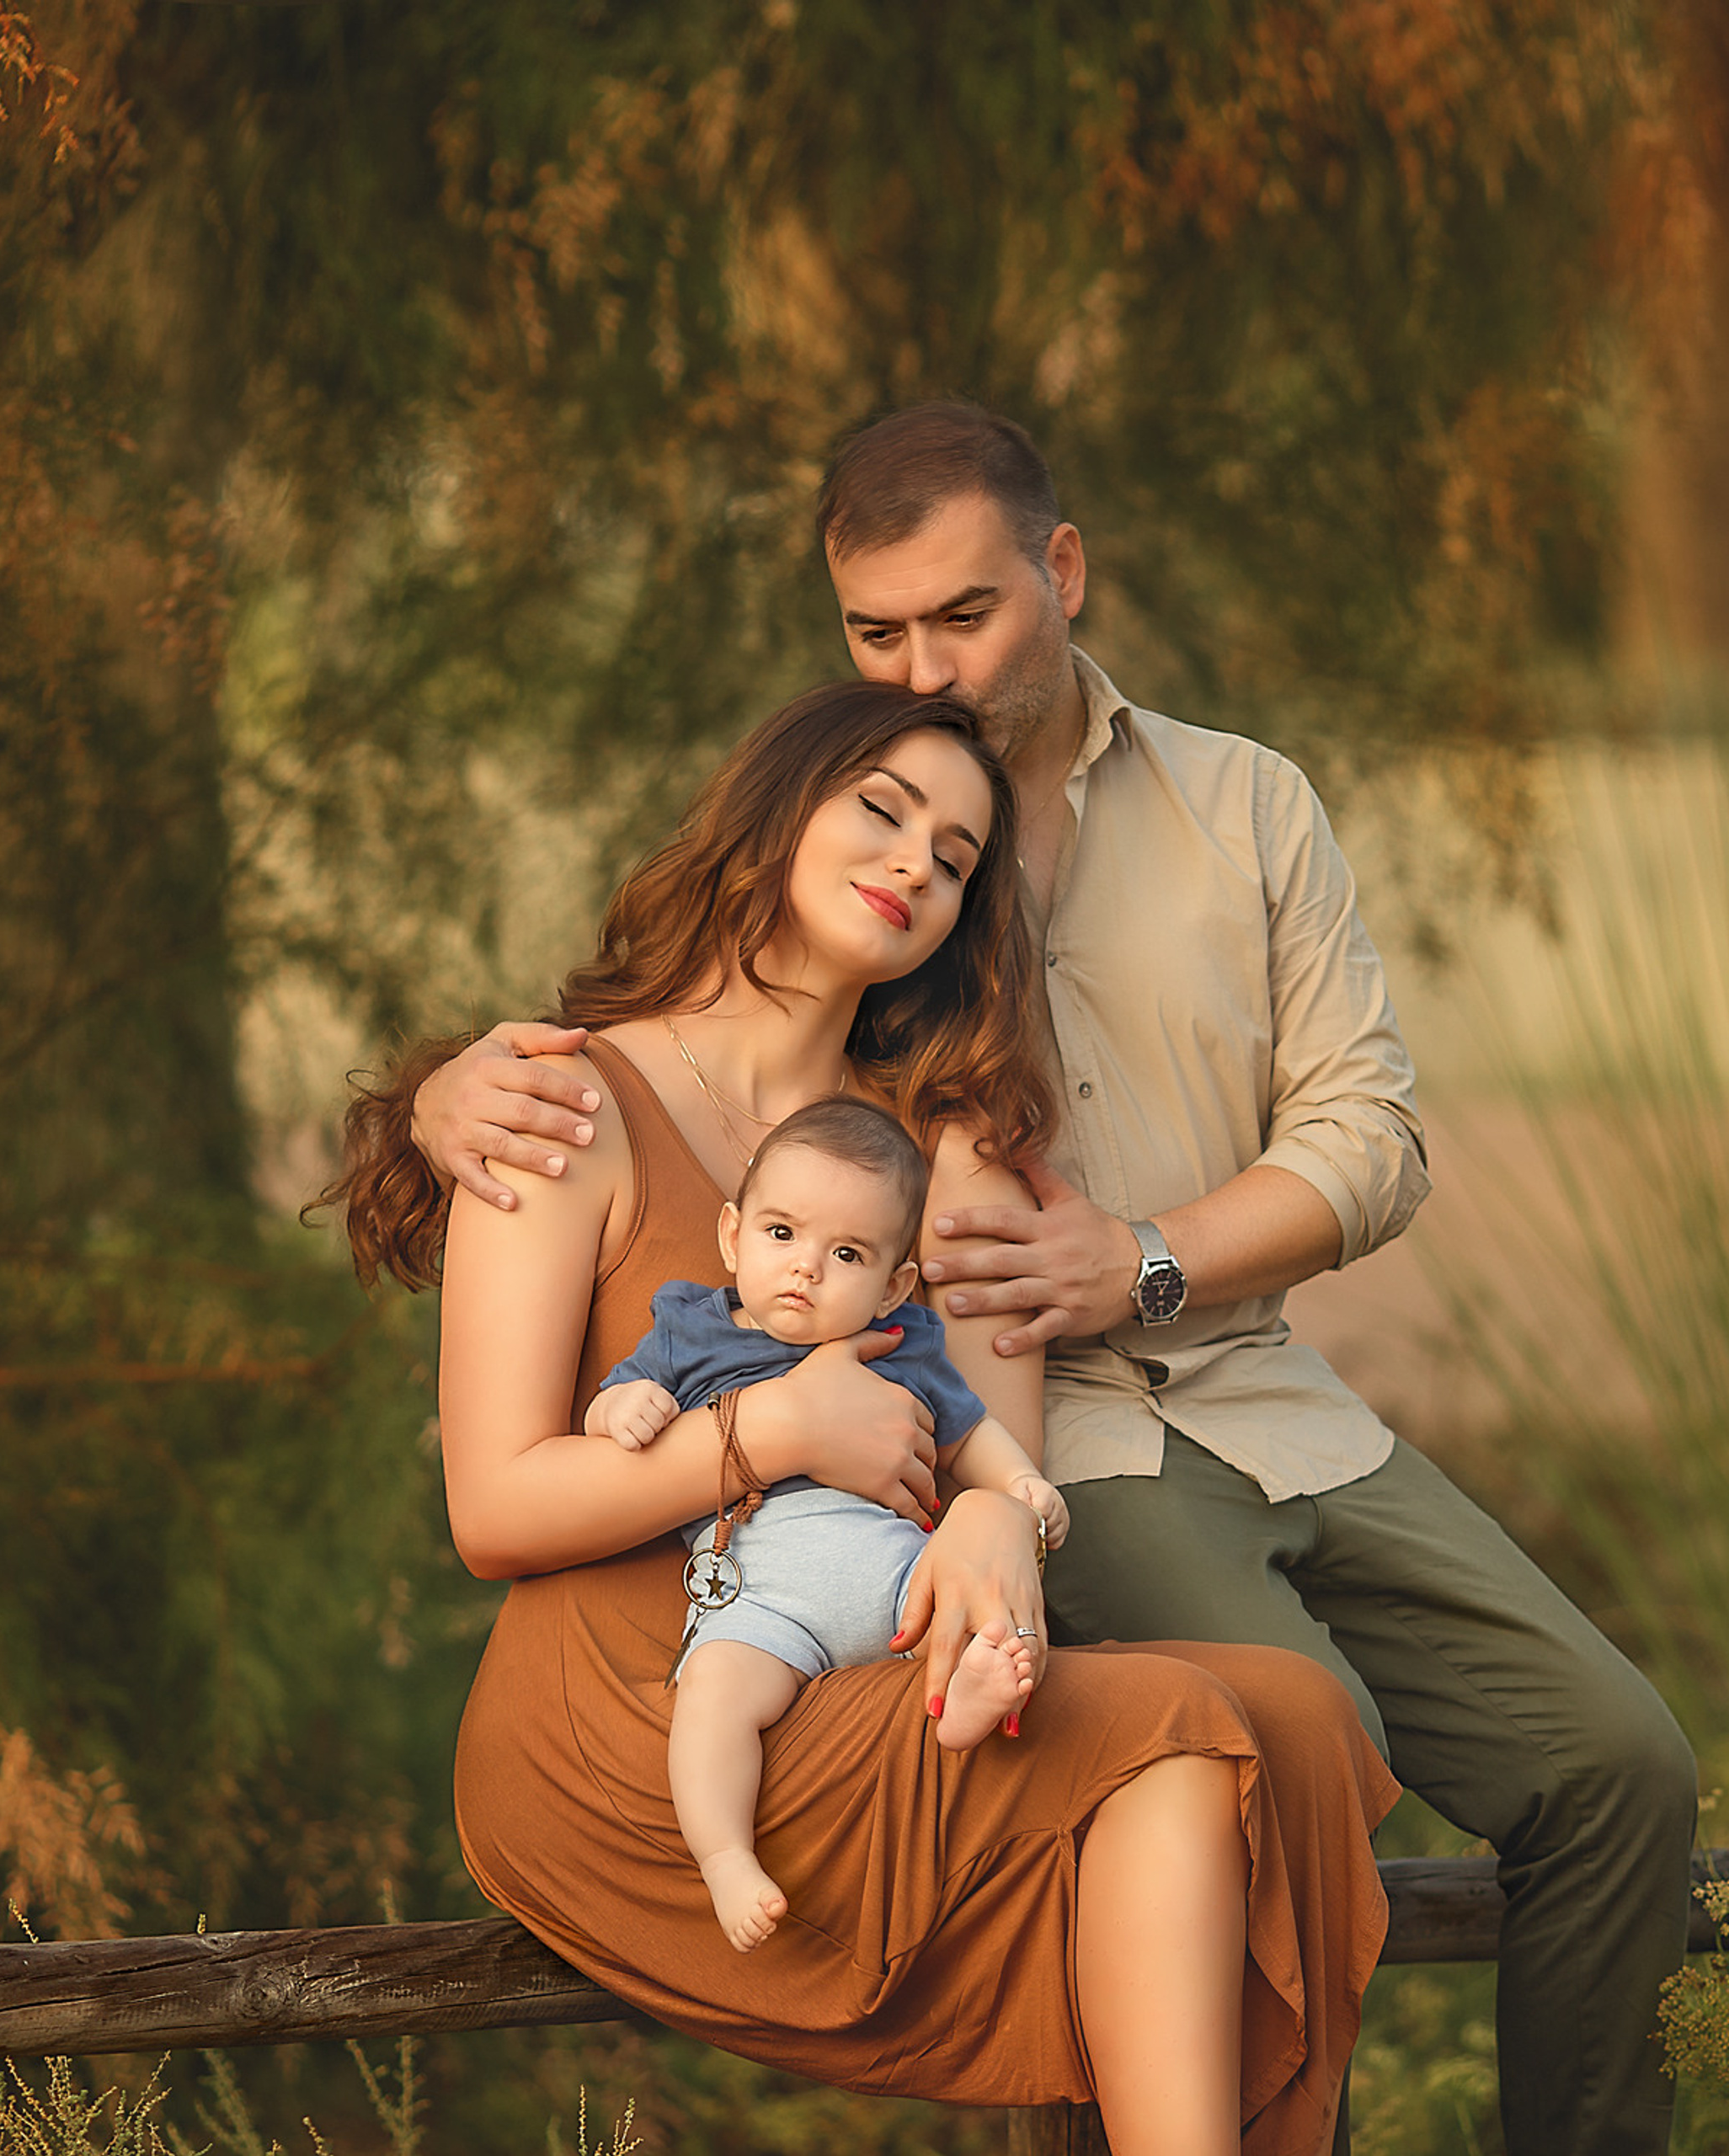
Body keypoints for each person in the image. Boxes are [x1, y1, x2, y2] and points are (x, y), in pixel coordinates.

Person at [411, 402, 1699, 2156]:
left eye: (964, 618)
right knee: (1248, 1749)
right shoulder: (710, 1073)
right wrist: (439, 1104)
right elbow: (602, 1201)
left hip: (1234, 1391)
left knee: (1610, 1760)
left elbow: (1363, 1136)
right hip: (945, 1513)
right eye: (879, 640)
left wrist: (1117, 1292)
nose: (925, 675)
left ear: (1060, 571)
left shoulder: (1201, 833)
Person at [329, 678, 1397, 2156]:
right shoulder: (564, 1106)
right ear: (775, 815)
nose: (917, 864)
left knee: (1302, 1718)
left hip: (860, 1664)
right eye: (883, 813)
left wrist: (981, 1517)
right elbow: (493, 1510)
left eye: (958, 858)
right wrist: (772, 1435)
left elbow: (989, 1453)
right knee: (1180, 1731)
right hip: (649, 1728)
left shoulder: (934, 1146)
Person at [587, 1096, 1070, 1950]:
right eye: (781, 1234)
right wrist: (624, 1405)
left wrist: (1021, 1482)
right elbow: (614, 1402)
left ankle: (966, 1697)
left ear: (892, 1284)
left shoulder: (904, 1342)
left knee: (969, 1606)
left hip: (889, 1567)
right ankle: (726, 1855)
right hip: (761, 1595)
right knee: (711, 1700)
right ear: (733, 1237)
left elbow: (966, 1433)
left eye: (844, 1252)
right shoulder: (691, 1330)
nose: (804, 1267)